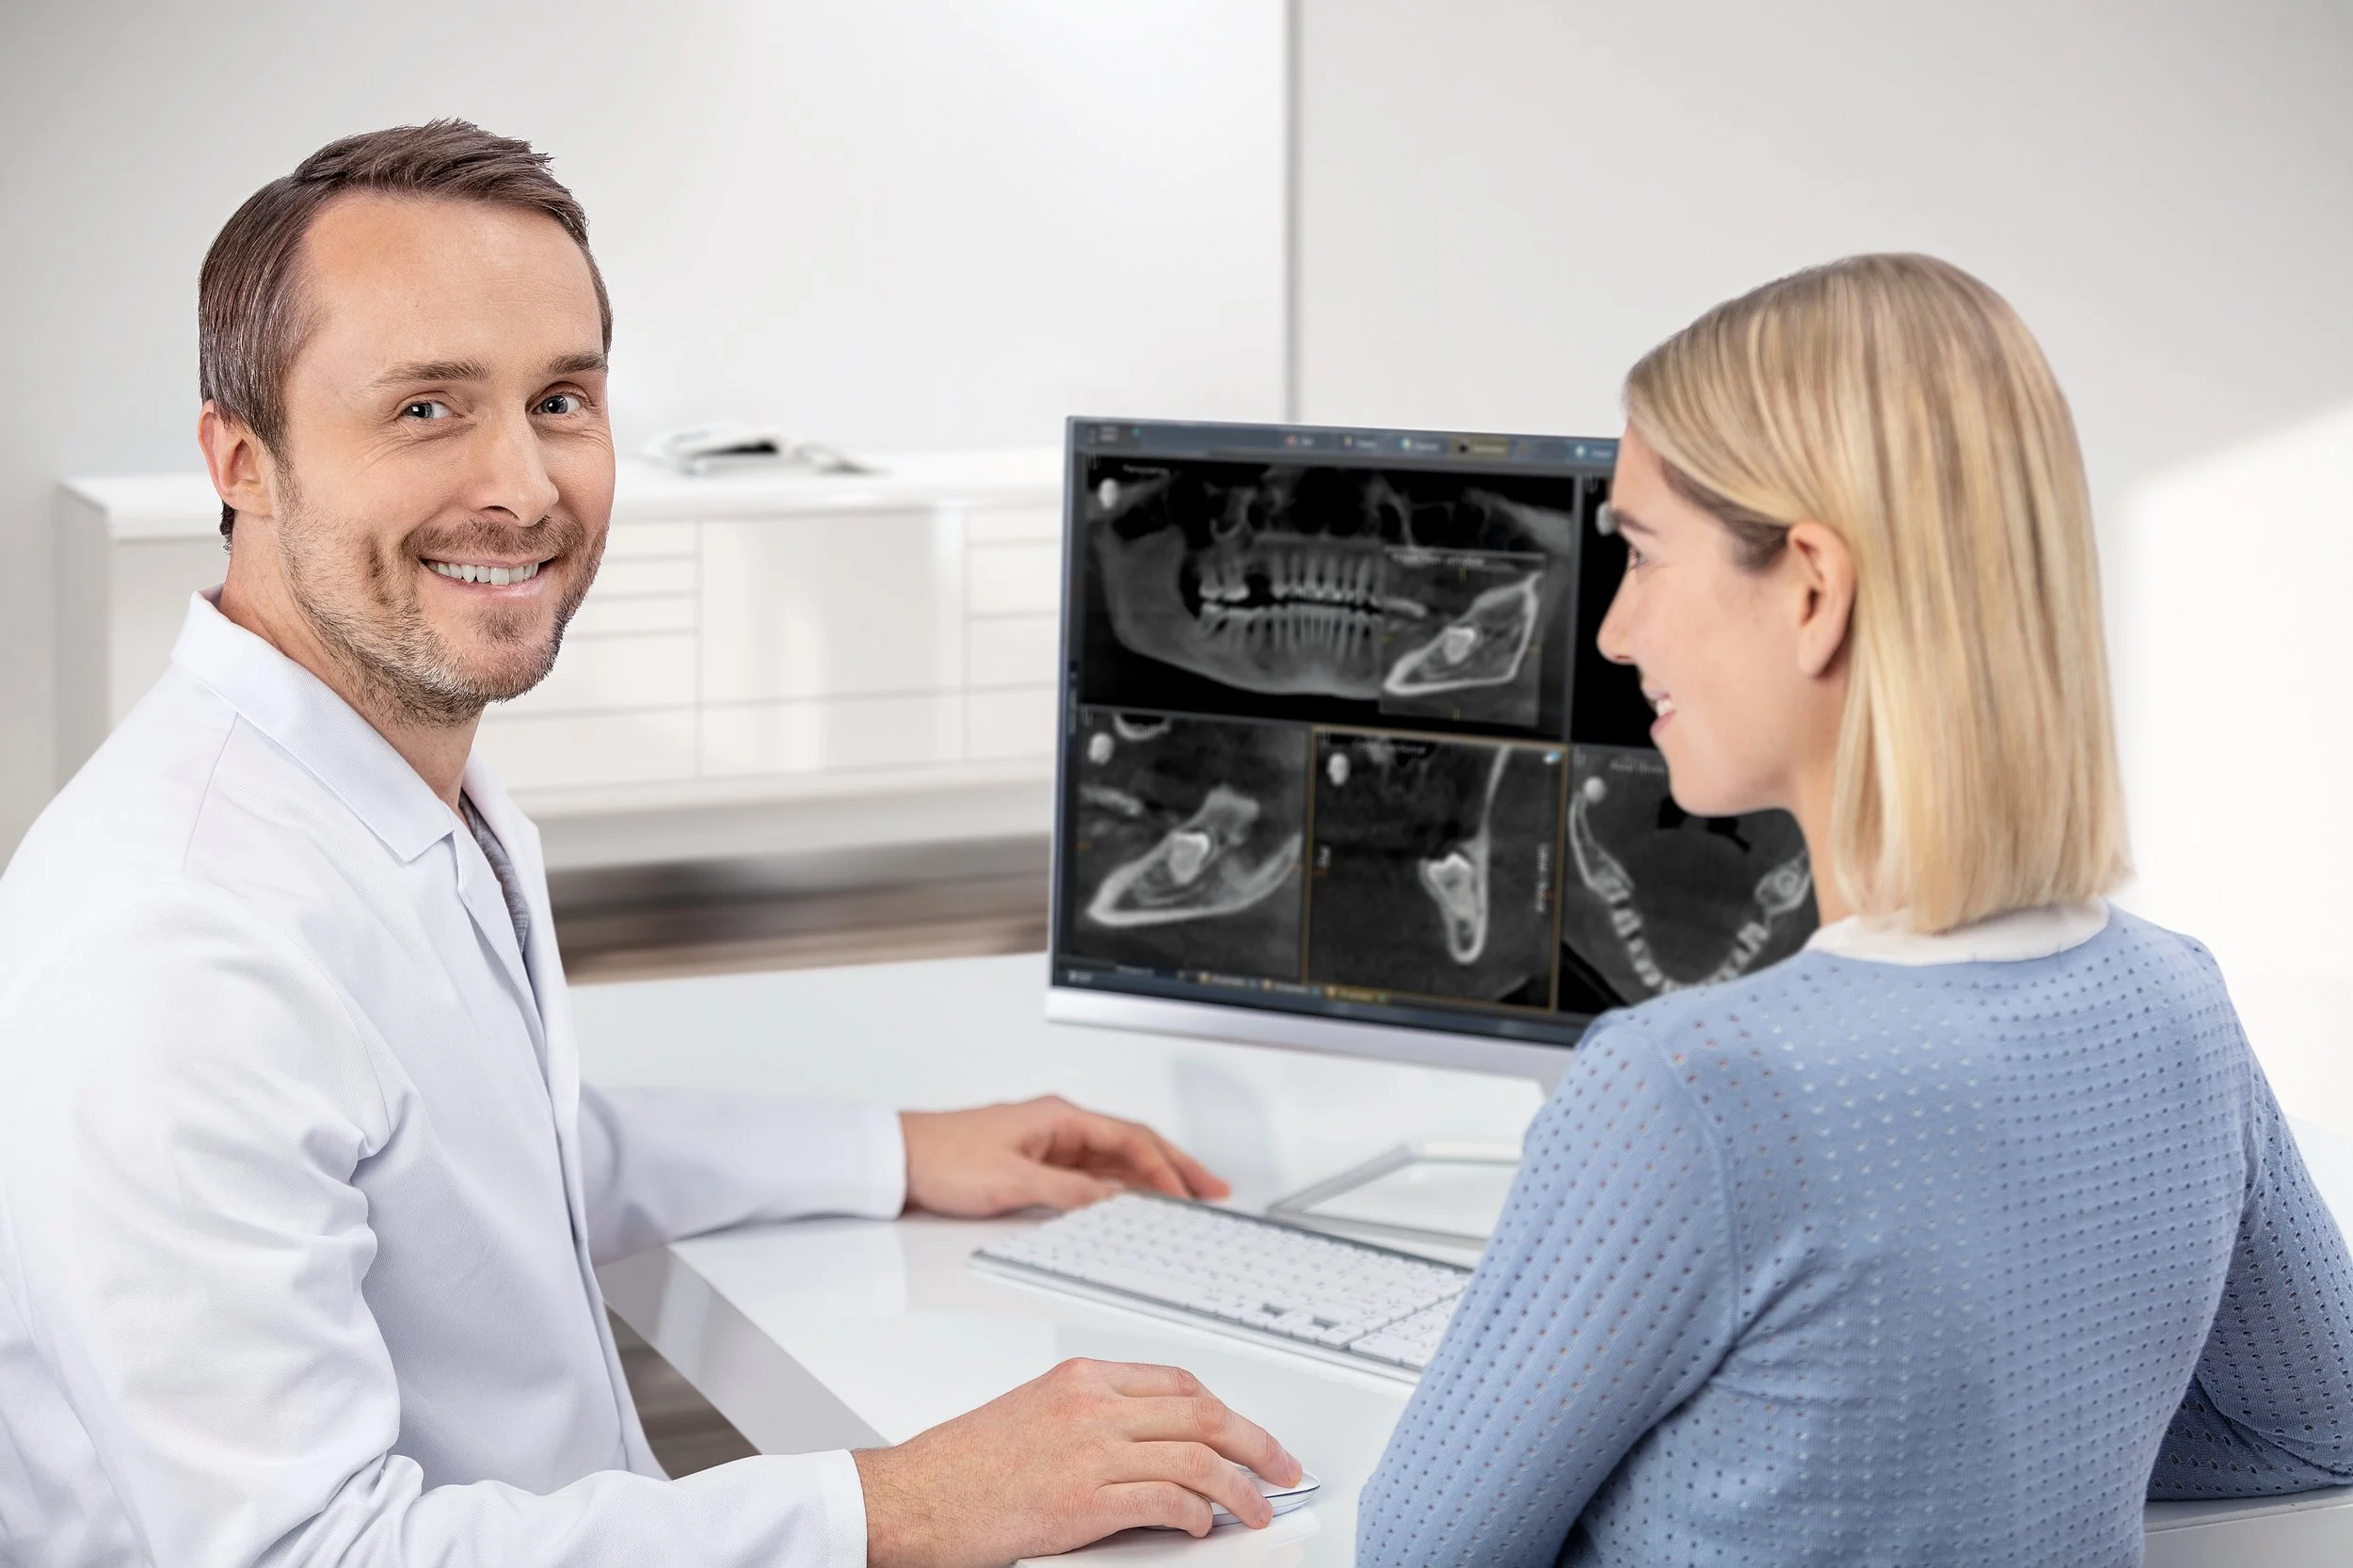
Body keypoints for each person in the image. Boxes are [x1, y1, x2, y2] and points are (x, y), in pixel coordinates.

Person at [0, 120, 1298, 1568]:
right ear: (242, 457)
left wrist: (901, 1149)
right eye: (428, 408)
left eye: (560, 399)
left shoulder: (384, 791)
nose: (524, 484)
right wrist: (908, 1502)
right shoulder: (173, 939)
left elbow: (487, 1167)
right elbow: (306, 1553)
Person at [1358, 254, 2353, 1566]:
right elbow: (2316, 1429)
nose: (1613, 631)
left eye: (1644, 556)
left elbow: (1416, 1553)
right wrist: (2014, 1447)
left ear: (1814, 588)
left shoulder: (1687, 1091)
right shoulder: (2183, 1006)